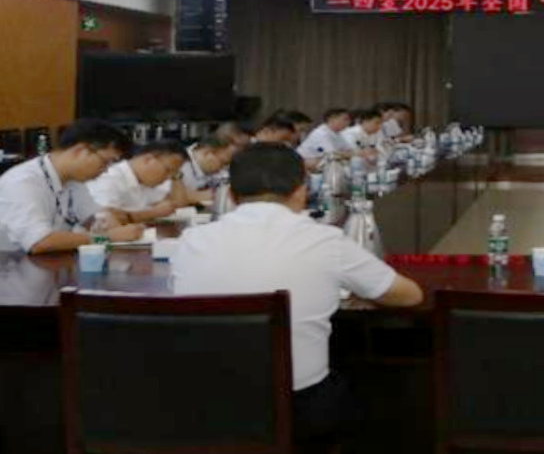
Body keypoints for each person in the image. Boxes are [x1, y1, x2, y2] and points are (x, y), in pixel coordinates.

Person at [171, 144, 423, 445]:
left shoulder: (190, 241)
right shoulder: (325, 240)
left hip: (203, 406)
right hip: (298, 406)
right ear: (302, 191)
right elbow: (409, 296)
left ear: (232, 196)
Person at [0, 119, 143, 254]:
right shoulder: (22, 182)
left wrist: (110, 225)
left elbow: (93, 217)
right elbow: (39, 242)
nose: (106, 170)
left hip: (50, 264)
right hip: (11, 265)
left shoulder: (73, 180)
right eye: (105, 162)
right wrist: (107, 237)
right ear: (80, 151)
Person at [88, 140, 188, 223]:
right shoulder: (111, 178)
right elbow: (103, 218)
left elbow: (177, 203)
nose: (169, 177)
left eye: (173, 173)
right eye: (168, 170)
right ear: (148, 160)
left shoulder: (145, 181)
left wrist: (177, 177)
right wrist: (153, 213)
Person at [173, 134, 237, 205]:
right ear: (207, 153)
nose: (222, 168)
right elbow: (174, 196)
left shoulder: (215, 169)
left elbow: (230, 190)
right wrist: (213, 194)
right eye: (223, 163)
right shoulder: (177, 162)